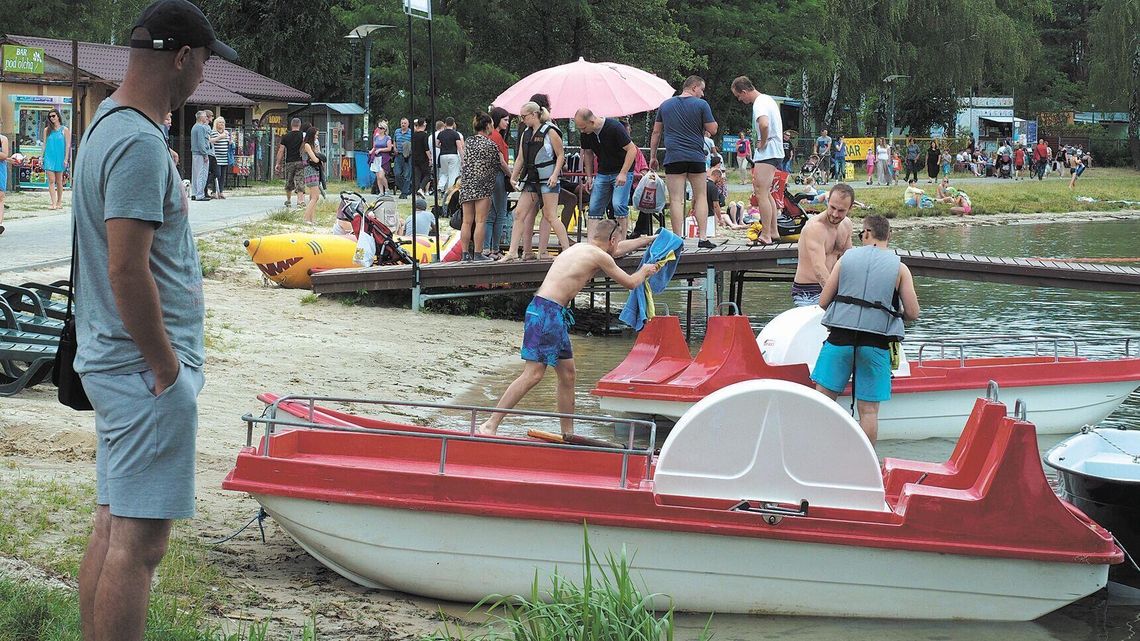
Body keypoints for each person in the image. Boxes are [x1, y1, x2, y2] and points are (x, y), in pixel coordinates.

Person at [73, 2, 234, 640]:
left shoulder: (105, 126)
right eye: (203, 64)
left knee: (112, 526)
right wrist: (167, 367)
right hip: (142, 373)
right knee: (139, 547)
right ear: (183, 58)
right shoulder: (138, 141)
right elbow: (126, 270)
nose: (201, 79)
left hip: (116, 365)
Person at [479, 218, 658, 436]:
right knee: (533, 374)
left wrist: (648, 240)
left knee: (568, 374)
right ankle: (491, 424)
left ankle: (568, 434)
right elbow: (630, 282)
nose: (618, 245)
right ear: (612, 239)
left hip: (549, 312)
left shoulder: (583, 248)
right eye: (617, 240)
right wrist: (646, 271)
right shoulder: (599, 255)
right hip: (547, 313)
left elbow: (617, 250)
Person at [813, 214, 920, 443]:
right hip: (876, 344)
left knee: (822, 401)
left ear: (867, 233)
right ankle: (867, 468)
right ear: (889, 236)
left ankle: (815, 455)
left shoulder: (846, 259)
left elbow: (823, 302)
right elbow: (913, 312)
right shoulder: (900, 269)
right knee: (869, 411)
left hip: (839, 340)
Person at [650, 75, 718, 248]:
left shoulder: (665, 105)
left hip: (673, 157)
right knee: (701, 196)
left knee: (676, 199)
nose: (702, 94)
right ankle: (703, 238)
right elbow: (713, 129)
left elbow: (656, 133)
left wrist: (652, 156)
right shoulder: (702, 105)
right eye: (701, 90)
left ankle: (677, 238)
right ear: (694, 87)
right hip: (695, 157)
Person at [502, 101, 571, 261]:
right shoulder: (526, 132)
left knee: (550, 215)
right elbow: (520, 157)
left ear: (534, 114)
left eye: (524, 116)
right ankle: (512, 252)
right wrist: (513, 176)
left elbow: (560, 155)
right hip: (531, 179)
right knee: (519, 213)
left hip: (548, 179)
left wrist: (555, 175)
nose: (522, 120)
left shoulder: (550, 131)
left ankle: (567, 250)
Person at [731, 76, 782, 246]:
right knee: (766, 193)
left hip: (767, 152)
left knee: (760, 193)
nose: (740, 100)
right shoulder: (768, 99)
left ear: (744, 91)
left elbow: (764, 124)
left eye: (739, 96)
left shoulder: (759, 102)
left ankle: (766, 234)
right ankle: (773, 231)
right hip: (773, 152)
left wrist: (763, 141)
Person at [576, 108, 639, 241]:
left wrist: (623, 173)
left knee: (618, 204)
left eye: (583, 127)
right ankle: (591, 243)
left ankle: (621, 242)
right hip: (603, 171)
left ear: (592, 121)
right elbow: (587, 152)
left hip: (621, 170)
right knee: (594, 207)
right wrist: (589, 176)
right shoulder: (586, 133)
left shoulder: (614, 127)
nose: (582, 131)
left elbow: (632, 149)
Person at [792, 183, 855, 307]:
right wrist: (837, 298)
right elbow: (818, 268)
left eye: (841, 210)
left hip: (834, 286)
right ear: (827, 201)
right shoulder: (815, 228)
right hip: (808, 291)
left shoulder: (847, 225)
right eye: (832, 207)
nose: (835, 214)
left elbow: (848, 261)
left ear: (850, 208)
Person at [458, 113, 504, 261]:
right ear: (487, 126)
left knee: (466, 221)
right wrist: (512, 177)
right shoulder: (490, 145)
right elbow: (499, 164)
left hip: (467, 184)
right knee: (481, 221)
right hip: (483, 186)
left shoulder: (469, 141)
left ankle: (465, 254)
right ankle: (478, 253)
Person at [485, 107, 513, 255]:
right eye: (505, 120)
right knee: (500, 213)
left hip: (489, 176)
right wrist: (512, 176)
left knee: (491, 215)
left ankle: (487, 248)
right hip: (498, 176)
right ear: (497, 119)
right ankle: (495, 248)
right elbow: (501, 161)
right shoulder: (496, 136)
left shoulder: (491, 135)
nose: (507, 123)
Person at [42, 107, 72, 210]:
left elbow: (68, 145)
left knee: (59, 181)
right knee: (51, 180)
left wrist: (66, 159)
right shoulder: (47, 130)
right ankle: (53, 203)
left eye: (53, 116)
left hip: (60, 157)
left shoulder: (65, 130)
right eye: (50, 117)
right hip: (49, 157)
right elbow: (44, 144)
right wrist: (42, 157)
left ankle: (59, 201)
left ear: (58, 116)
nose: (52, 118)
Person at [276, 117, 305, 207]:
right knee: (300, 180)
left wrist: (278, 163)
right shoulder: (303, 136)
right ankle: (300, 201)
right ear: (299, 125)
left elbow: (281, 150)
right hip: (300, 161)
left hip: (289, 162)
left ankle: (288, 200)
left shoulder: (286, 136)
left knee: (289, 181)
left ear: (291, 125)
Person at [436, 117, 464, 195]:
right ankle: (450, 190)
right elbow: (459, 147)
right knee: (453, 173)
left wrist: (442, 146)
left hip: (443, 155)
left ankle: (440, 186)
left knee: (444, 173)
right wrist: (462, 159)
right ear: (453, 124)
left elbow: (436, 144)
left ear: (445, 123)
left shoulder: (441, 133)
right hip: (453, 155)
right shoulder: (455, 134)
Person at [300, 127, 321, 226]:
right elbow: (316, 159)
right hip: (310, 170)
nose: (317, 137)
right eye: (316, 135)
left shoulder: (311, 146)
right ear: (312, 135)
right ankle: (306, 218)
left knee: (312, 196)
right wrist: (317, 157)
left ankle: (311, 218)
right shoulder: (307, 145)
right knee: (315, 197)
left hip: (313, 170)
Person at [189, 111, 212, 201]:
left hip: (195, 153)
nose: (206, 117)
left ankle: (194, 193)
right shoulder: (201, 128)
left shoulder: (194, 127)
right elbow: (201, 142)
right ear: (200, 117)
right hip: (200, 153)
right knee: (202, 174)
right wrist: (205, 154)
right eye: (204, 116)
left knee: (195, 174)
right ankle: (200, 194)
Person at [369, 122, 394, 196]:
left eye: (380, 128)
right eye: (378, 128)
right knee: (377, 176)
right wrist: (371, 151)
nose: (379, 129)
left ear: (384, 129)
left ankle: (386, 189)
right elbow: (374, 146)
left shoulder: (388, 138)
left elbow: (389, 148)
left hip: (384, 158)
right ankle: (381, 192)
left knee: (381, 175)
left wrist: (380, 150)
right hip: (376, 158)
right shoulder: (376, 137)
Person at [209, 116, 230, 199]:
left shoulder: (226, 133)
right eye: (220, 122)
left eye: (223, 123)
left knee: (222, 176)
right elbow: (210, 141)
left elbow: (229, 142)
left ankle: (221, 191)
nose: (221, 124)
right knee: (217, 174)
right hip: (216, 157)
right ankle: (213, 191)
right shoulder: (213, 132)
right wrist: (220, 137)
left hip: (224, 157)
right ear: (216, 124)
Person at [411, 118, 432, 196]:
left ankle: (416, 192)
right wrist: (430, 158)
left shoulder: (413, 135)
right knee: (428, 175)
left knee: (417, 176)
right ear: (423, 124)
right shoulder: (424, 135)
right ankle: (421, 188)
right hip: (423, 158)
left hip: (415, 158)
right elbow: (426, 148)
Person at [393, 117, 413, 198]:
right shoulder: (397, 131)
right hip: (398, 155)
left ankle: (404, 193)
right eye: (402, 123)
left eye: (405, 123)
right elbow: (394, 141)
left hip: (408, 156)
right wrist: (394, 147)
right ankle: (405, 189)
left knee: (407, 174)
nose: (403, 124)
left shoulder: (411, 133)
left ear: (408, 124)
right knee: (397, 173)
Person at [0, 124, 14, 234]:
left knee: (0, 197)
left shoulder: (3, 139)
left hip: (0, 169)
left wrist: (7, 158)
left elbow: (4, 155)